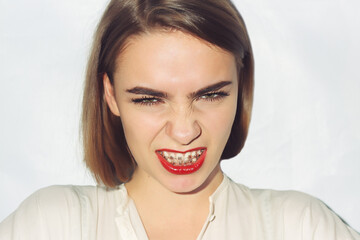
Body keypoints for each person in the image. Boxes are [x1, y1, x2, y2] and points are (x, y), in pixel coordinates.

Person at [0, 0, 359, 239]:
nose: (185, 130)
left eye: (210, 95)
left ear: (241, 86)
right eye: (149, 99)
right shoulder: (52, 225)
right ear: (110, 94)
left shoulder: (299, 228)